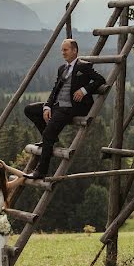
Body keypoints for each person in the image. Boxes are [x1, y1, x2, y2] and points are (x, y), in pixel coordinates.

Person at [23, 38, 106, 180]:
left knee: (48, 134)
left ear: (74, 50)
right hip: (58, 106)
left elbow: (100, 80)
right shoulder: (62, 68)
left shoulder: (83, 66)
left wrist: (84, 90)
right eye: (62, 50)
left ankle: (41, 171)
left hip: (72, 108)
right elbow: (55, 89)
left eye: (65, 50)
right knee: (29, 109)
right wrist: (47, 106)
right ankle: (51, 138)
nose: (63, 53)